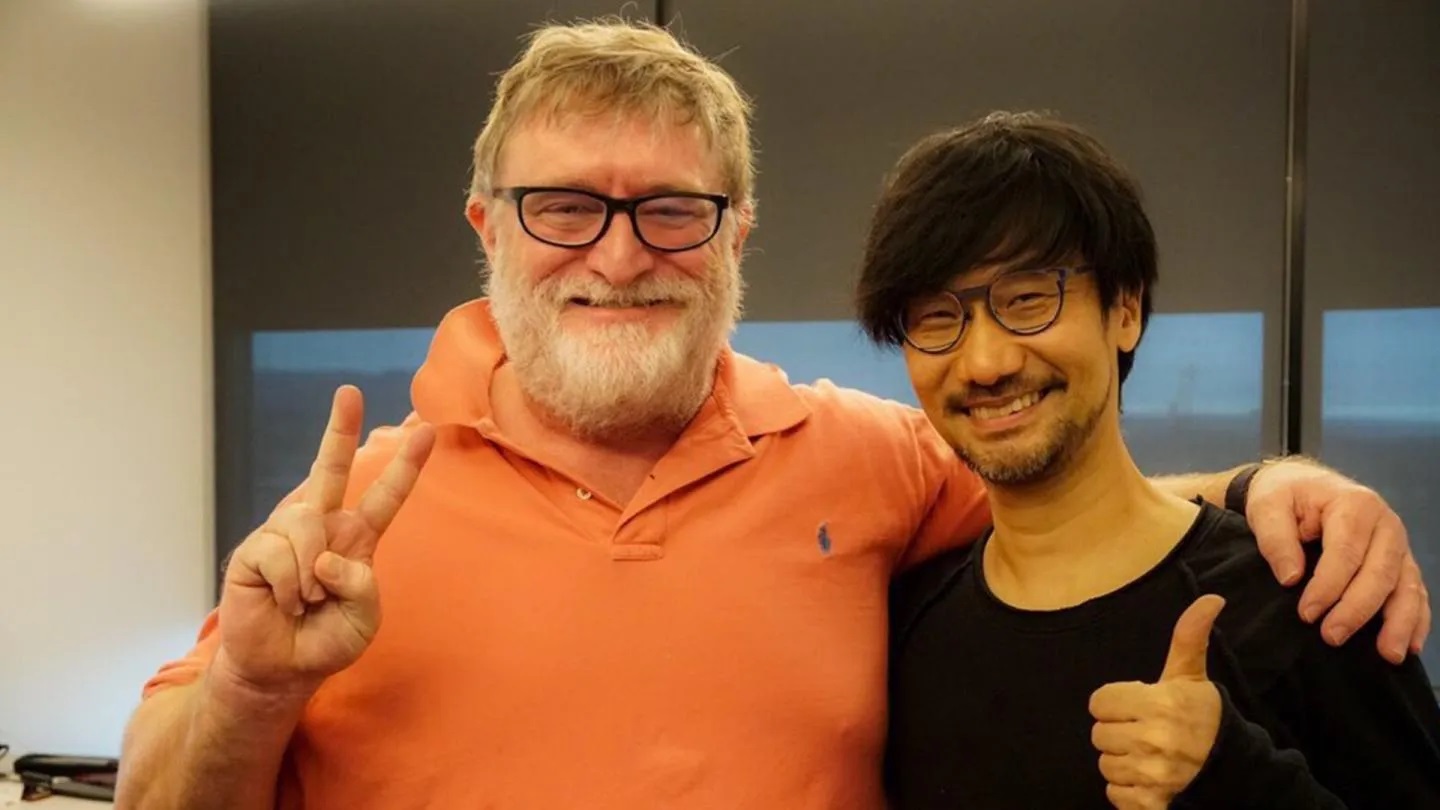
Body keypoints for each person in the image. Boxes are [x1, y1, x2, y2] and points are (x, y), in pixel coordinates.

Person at [116, 21, 1429, 810]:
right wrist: (253, 684)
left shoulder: (862, 460)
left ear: (736, 234)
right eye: (563, 206)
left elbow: (1055, 485)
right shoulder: (353, 522)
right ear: (489, 228)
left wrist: (1268, 486)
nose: (619, 255)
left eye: (671, 210)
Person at [866, 112, 1440, 809]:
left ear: (1126, 310)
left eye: (1028, 300)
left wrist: (1236, 778)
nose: (985, 363)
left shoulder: (1304, 596)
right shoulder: (906, 628)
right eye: (936, 318)